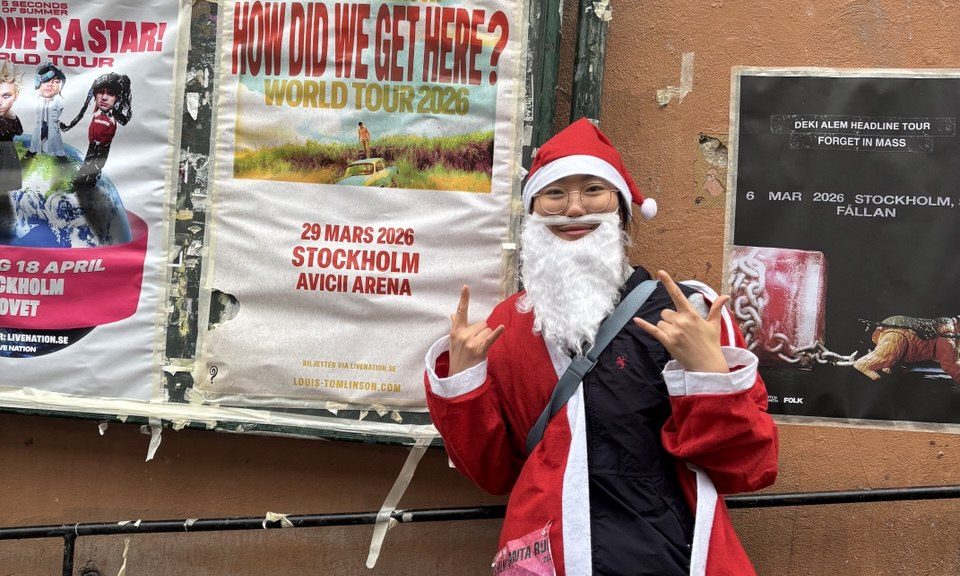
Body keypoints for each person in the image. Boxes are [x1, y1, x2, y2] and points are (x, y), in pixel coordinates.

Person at [424, 119, 778, 576]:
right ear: (533, 212)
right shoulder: (507, 325)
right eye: (554, 193)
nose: (574, 208)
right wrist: (463, 380)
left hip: (669, 559)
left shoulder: (688, 312)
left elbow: (748, 468)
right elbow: (493, 475)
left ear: (622, 210)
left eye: (593, 190)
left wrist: (709, 373)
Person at [61, 72, 133, 186]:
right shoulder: (96, 115)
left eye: (110, 94)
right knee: (87, 161)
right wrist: (92, 141)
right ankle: (80, 180)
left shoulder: (112, 119)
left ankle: (91, 181)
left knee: (97, 164)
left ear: (116, 98)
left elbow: (110, 134)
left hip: (102, 147)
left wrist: (102, 143)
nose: (104, 97)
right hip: (93, 144)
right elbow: (91, 129)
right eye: (100, 92)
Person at [0, 61, 23, 243]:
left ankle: (8, 234)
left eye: (6, 96)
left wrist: (11, 116)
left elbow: (18, 131)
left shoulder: (11, 118)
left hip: (6, 157)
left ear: (16, 96)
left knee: (4, 196)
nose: (0, 102)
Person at [26, 62, 67, 160]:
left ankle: (61, 159)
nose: (50, 84)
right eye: (46, 81)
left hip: (53, 127)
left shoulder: (58, 102)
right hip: (41, 126)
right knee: (36, 140)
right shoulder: (36, 101)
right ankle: (30, 153)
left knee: (57, 145)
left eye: (55, 82)